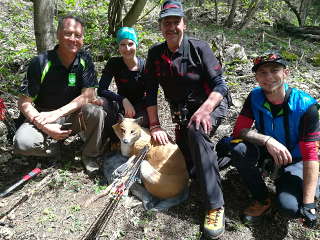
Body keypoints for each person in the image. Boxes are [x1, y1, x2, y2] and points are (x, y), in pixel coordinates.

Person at [143, 1, 230, 239]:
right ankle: (225, 154)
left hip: (211, 103)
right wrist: (154, 125)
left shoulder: (199, 48)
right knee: (190, 164)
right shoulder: (155, 54)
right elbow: (149, 92)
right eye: (166, 22)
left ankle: (215, 206)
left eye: (176, 22)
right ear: (160, 26)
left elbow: (221, 85)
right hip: (181, 112)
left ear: (184, 24)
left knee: (196, 131)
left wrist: (205, 110)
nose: (171, 27)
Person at [225, 52, 319, 227]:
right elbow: (239, 131)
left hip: (297, 160)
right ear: (256, 77)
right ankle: (262, 198)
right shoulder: (255, 97)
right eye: (262, 72)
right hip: (268, 151)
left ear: (286, 73)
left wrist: (308, 203)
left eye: (275, 70)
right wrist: (267, 140)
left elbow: (311, 155)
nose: (268, 77)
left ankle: (309, 186)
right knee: (238, 150)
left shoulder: (306, 106)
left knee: (290, 208)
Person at [14, 15, 106, 174]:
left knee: (96, 112)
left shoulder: (85, 60)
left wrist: (58, 113)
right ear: (58, 35)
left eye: (78, 35)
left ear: (83, 38)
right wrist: (45, 126)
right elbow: (24, 103)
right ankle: (55, 148)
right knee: (22, 143)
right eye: (68, 33)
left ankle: (90, 155)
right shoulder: (41, 62)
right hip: (43, 115)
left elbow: (88, 95)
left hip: (72, 116)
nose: (73, 39)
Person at [94, 27, 148, 140]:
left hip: (140, 107)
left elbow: (151, 93)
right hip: (120, 105)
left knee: (138, 133)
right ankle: (108, 140)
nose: (127, 48)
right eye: (122, 44)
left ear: (136, 44)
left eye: (130, 44)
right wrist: (123, 99)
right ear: (118, 46)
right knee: (102, 102)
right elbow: (101, 89)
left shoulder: (145, 66)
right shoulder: (114, 63)